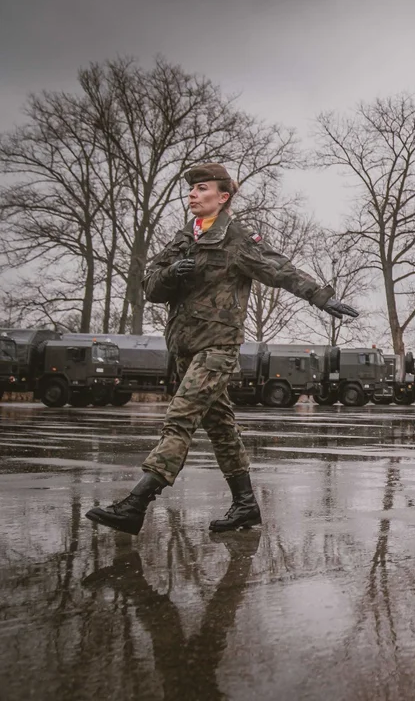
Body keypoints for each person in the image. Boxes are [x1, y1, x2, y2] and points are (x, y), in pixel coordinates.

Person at [85, 164, 357, 535]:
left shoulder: (237, 239)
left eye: (202, 188)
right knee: (222, 429)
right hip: (183, 348)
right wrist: (170, 274)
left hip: (217, 347)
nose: (193, 194)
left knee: (179, 419)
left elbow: (281, 270)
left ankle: (136, 504)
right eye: (191, 189)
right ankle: (245, 506)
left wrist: (322, 297)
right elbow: (149, 287)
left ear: (223, 197)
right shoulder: (184, 239)